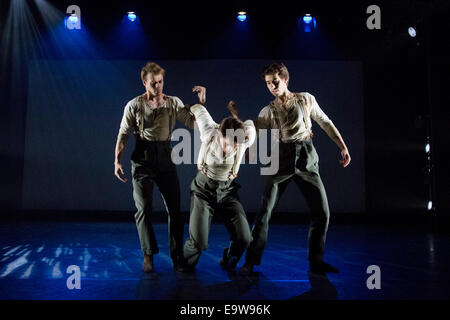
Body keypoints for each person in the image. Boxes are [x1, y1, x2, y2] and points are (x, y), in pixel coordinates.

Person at [239, 62, 351, 275]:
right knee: (265, 212)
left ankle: (316, 262)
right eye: (268, 83)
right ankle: (250, 262)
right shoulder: (268, 110)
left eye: (275, 81)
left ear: (285, 79)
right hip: (281, 157)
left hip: (306, 156)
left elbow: (325, 122)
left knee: (322, 212)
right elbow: (255, 130)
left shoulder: (306, 99)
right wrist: (246, 145)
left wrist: (343, 147)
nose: (272, 86)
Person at [114, 62, 206, 273]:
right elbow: (123, 133)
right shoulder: (134, 105)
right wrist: (117, 160)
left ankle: (177, 257)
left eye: (160, 82)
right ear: (144, 83)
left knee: (174, 209)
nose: (158, 87)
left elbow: (193, 123)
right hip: (143, 158)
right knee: (143, 209)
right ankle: (148, 256)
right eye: (153, 83)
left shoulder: (173, 103)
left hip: (165, 157)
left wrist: (200, 104)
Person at [182, 100, 256, 271]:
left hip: (227, 191)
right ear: (219, 135)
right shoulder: (209, 131)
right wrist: (193, 105)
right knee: (199, 242)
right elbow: (200, 110)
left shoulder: (244, 139)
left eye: (235, 144)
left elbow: (250, 125)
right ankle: (185, 265)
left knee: (244, 238)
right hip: (203, 190)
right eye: (227, 143)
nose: (231, 148)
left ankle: (229, 258)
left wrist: (236, 115)